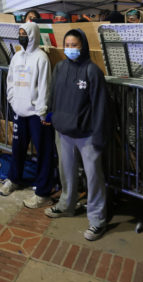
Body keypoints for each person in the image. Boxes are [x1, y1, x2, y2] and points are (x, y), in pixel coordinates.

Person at [45, 29, 109, 241]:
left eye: (75, 45)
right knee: (67, 172)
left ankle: (97, 219)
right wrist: (50, 115)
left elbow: (100, 106)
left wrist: (99, 135)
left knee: (93, 177)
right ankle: (67, 204)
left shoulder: (92, 71)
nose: (71, 49)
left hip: (87, 134)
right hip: (63, 131)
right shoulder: (60, 68)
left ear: (83, 46)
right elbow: (53, 95)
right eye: (68, 45)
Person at [0, 22, 53, 208]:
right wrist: (13, 101)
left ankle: (42, 191)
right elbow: (11, 81)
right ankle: (13, 179)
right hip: (19, 111)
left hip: (37, 115)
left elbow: (45, 86)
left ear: (33, 35)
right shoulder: (17, 56)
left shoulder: (41, 58)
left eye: (25, 33)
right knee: (17, 148)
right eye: (20, 33)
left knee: (44, 151)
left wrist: (42, 111)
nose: (21, 36)